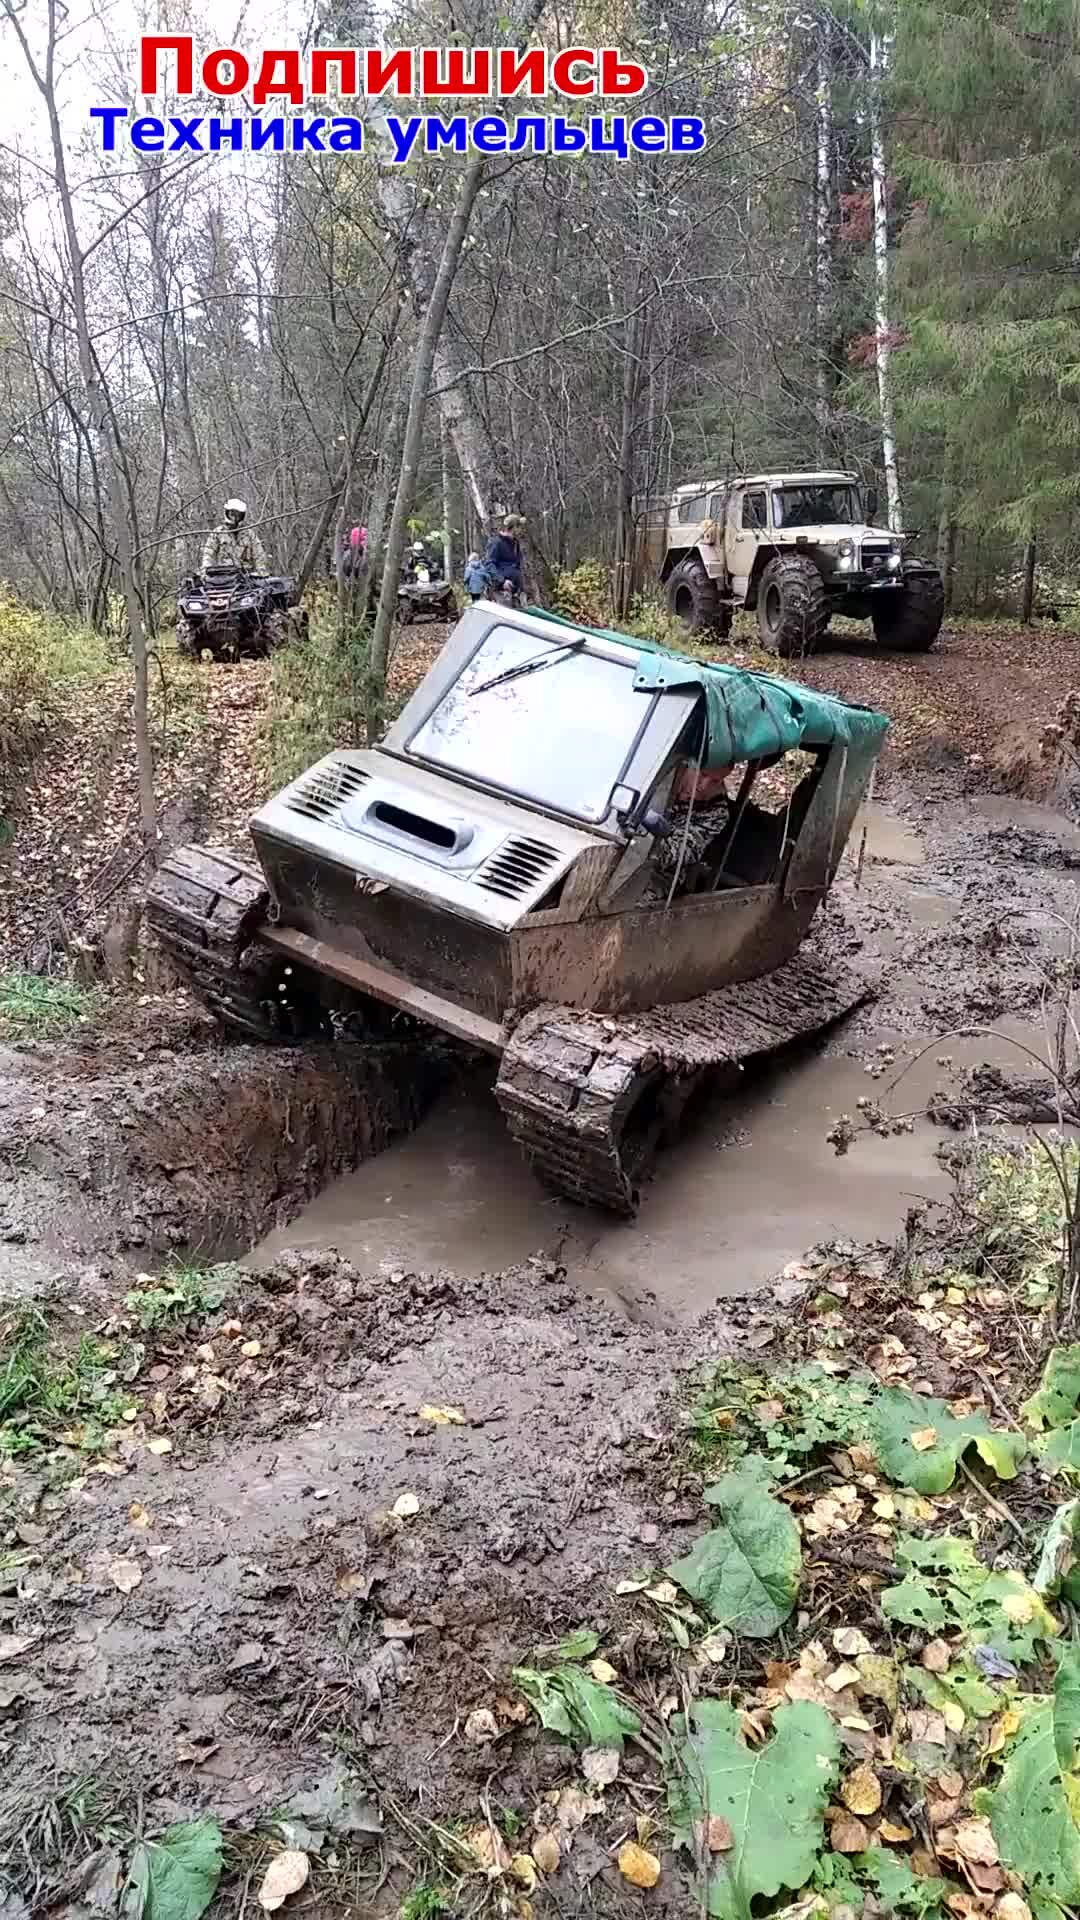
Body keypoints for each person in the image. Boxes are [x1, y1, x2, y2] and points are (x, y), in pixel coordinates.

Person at [201, 498, 267, 574]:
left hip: (246, 575)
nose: (234, 517)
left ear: (242, 516)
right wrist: (206, 571)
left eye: (237, 515)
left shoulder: (250, 534)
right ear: (227, 513)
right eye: (232, 514)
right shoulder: (218, 533)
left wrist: (260, 572)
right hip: (224, 575)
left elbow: (259, 555)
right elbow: (208, 554)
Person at [483, 513, 527, 604]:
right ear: (514, 527)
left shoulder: (515, 543)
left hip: (516, 591)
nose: (521, 530)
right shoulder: (496, 542)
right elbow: (489, 565)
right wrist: (502, 581)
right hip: (502, 591)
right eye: (520, 527)